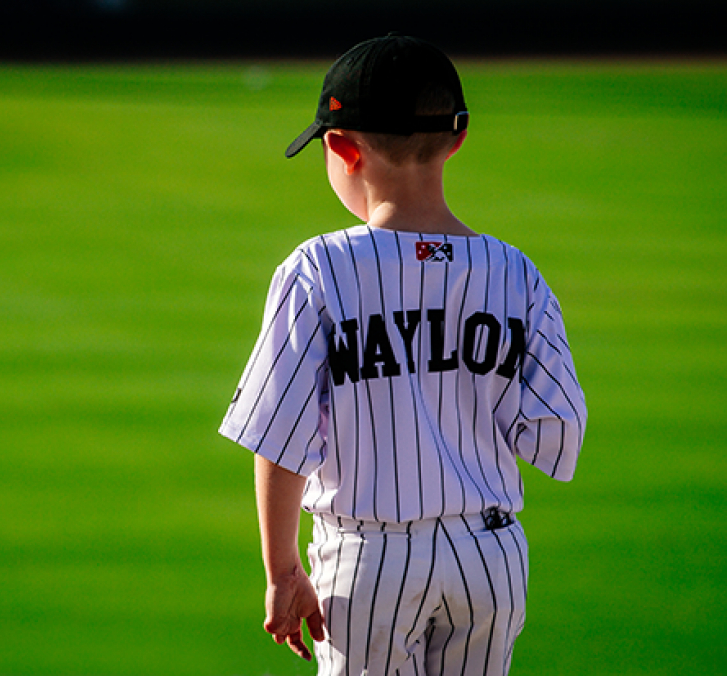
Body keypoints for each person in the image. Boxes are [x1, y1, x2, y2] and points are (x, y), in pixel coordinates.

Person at [219, 34, 586, 676]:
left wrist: (282, 571)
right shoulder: (516, 274)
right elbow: (556, 432)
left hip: (371, 559)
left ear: (340, 147)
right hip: (490, 559)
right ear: (457, 137)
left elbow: (279, 436)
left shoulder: (317, 270)